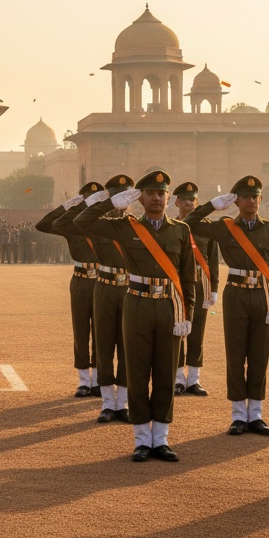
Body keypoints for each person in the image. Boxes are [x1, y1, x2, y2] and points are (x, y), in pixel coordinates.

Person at [78, 171, 196, 462]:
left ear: (169, 197)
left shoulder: (180, 230)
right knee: (138, 371)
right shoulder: (125, 226)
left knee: (166, 372)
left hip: (170, 307)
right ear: (139, 197)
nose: (156, 198)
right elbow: (82, 222)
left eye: (161, 193)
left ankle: (162, 439)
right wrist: (110, 204)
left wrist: (188, 316)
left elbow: (187, 278)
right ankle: (143, 439)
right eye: (150, 193)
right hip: (137, 304)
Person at [184, 176, 269, 436]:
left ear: (261, 199)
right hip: (236, 294)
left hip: (263, 294)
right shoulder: (224, 227)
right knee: (237, 353)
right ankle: (239, 415)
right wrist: (212, 206)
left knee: (260, 355)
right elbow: (188, 223)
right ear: (236, 201)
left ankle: (257, 414)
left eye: (255, 197)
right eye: (245, 197)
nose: (251, 201)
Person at [64, 174, 135, 424]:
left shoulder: (138, 224)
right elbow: (73, 222)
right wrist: (100, 204)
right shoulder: (100, 223)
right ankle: (107, 403)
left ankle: (123, 401)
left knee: (127, 346)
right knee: (104, 345)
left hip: (129, 288)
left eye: (126, 195)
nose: (122, 199)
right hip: (103, 287)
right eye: (116, 194)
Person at [35, 182, 103, 398]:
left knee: (103, 332)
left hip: (105, 280)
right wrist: (66, 207)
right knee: (81, 330)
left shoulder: (109, 224)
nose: (90, 202)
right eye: (87, 198)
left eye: (95, 198)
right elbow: (43, 225)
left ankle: (100, 379)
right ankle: (84, 380)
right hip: (82, 280)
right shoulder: (72, 225)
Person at [172, 181, 218, 397]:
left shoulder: (206, 226)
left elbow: (213, 260)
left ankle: (194, 379)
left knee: (197, 330)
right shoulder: (171, 226)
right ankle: (178, 377)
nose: (190, 203)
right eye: (186, 199)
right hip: (179, 283)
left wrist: (214, 288)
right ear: (177, 202)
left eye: (193, 199)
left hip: (200, 284)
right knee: (179, 328)